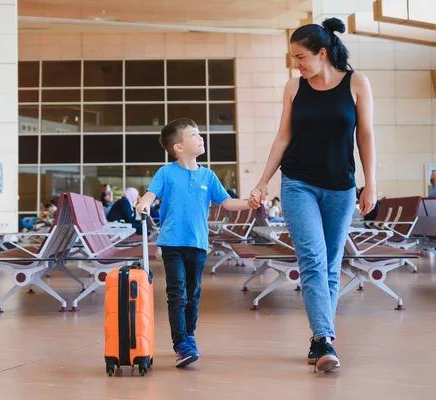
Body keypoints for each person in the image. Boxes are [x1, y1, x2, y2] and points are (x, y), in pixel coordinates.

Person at [248, 18, 377, 372]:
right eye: (293, 58)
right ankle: (323, 338)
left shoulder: (356, 83)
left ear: (322, 53)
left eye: (300, 56)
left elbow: (365, 136)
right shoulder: (293, 88)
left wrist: (371, 184)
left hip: (341, 186)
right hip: (298, 183)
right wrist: (262, 182)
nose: (296, 64)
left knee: (332, 265)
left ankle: (322, 337)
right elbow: (282, 137)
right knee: (313, 260)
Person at [137, 118, 254, 368]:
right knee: (177, 293)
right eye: (194, 134)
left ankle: (189, 336)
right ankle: (181, 344)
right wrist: (144, 203)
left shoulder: (208, 176)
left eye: (199, 133)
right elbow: (150, 194)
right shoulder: (166, 173)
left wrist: (248, 203)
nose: (200, 137)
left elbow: (226, 202)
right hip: (171, 243)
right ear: (178, 147)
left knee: (194, 294)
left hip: (198, 243)